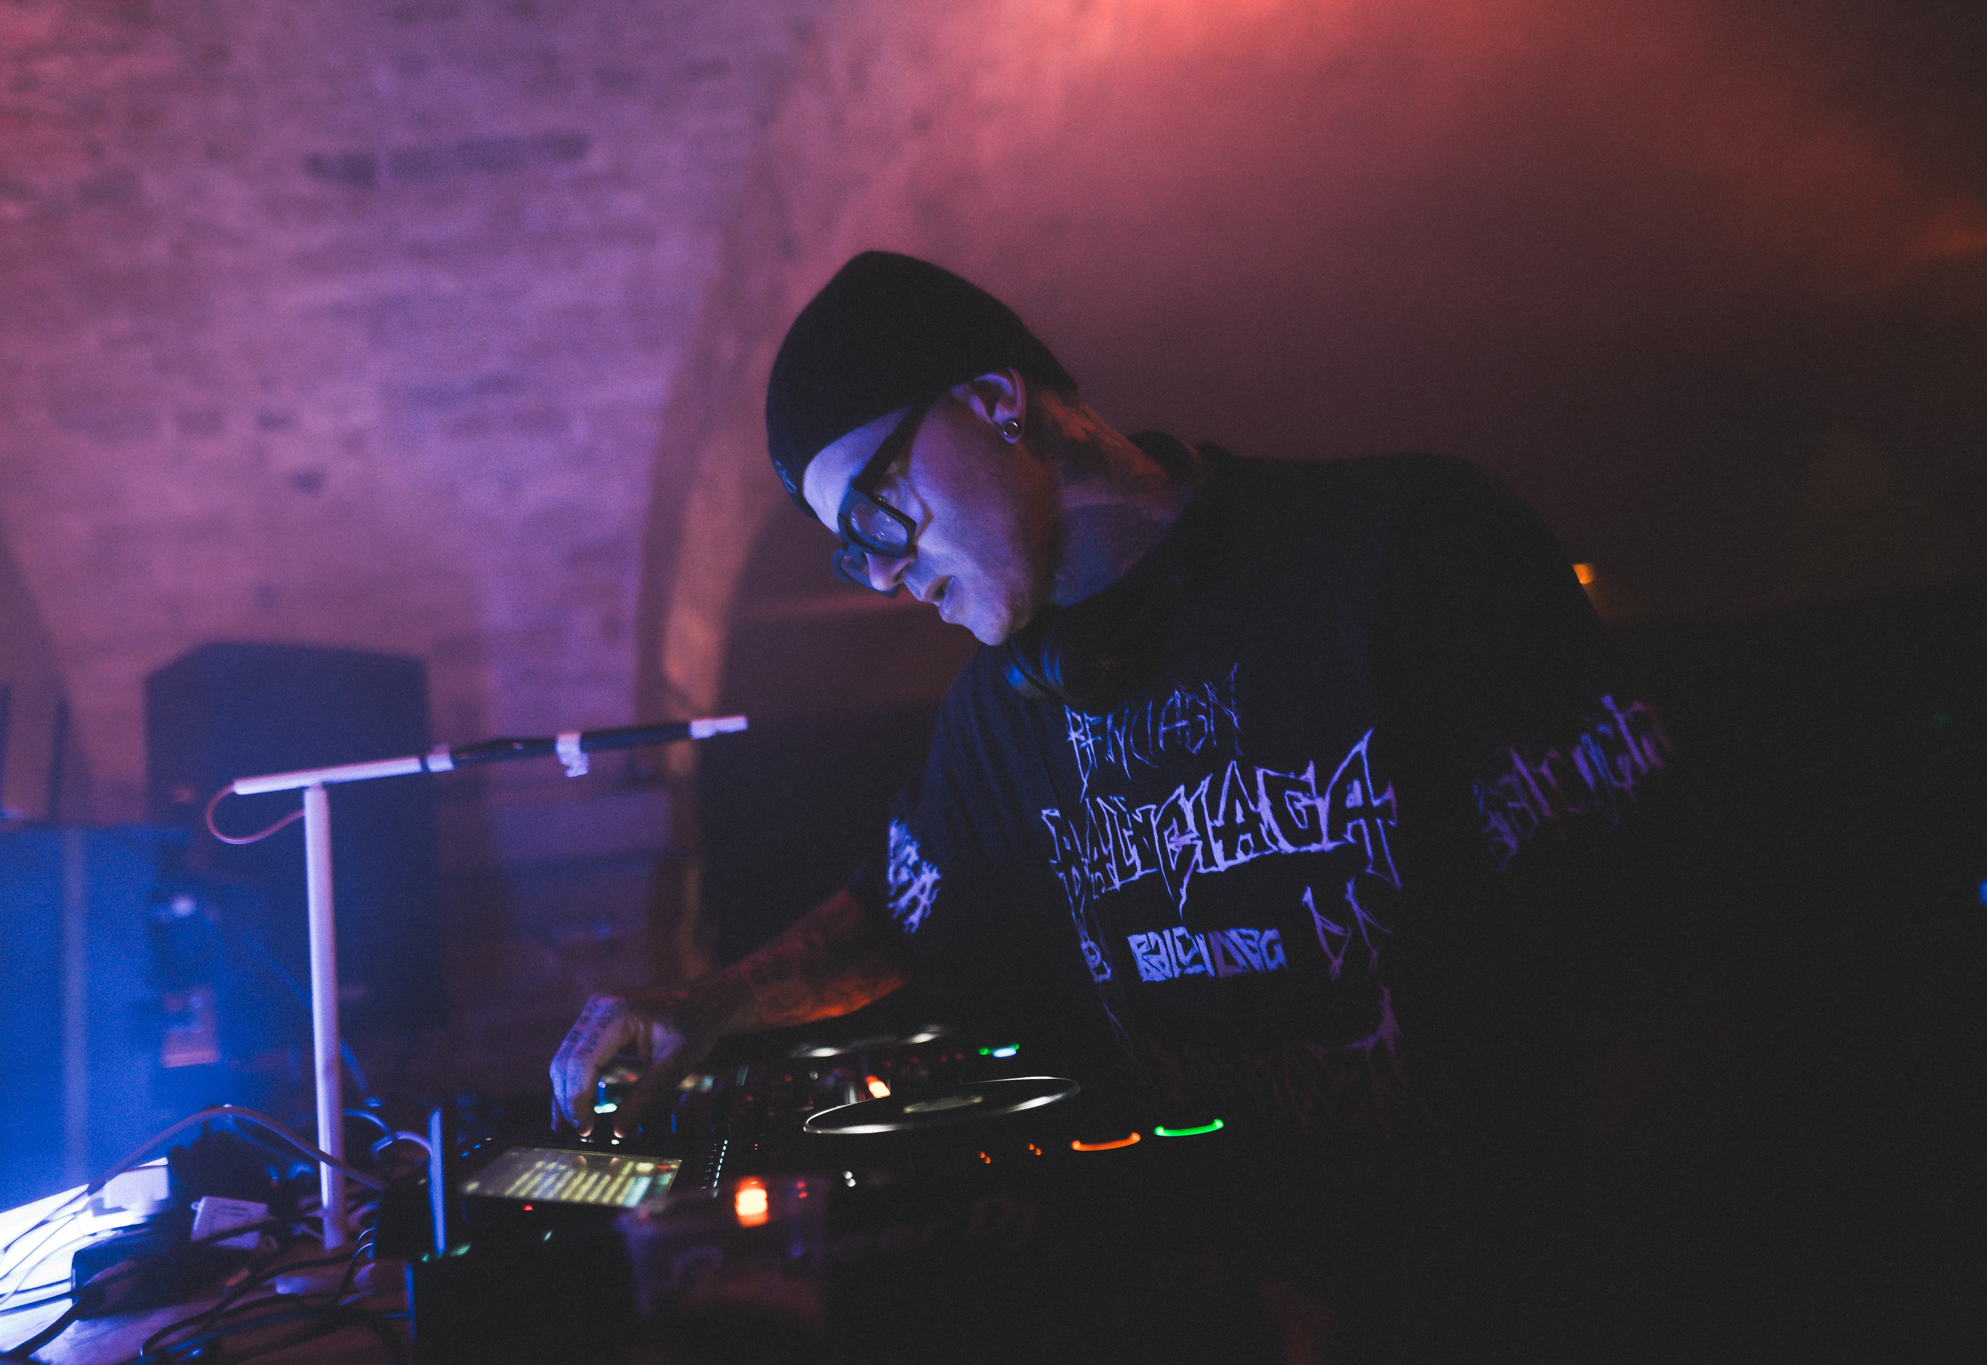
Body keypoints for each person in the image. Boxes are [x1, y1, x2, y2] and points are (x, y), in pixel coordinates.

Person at [550, 251, 1699, 1354]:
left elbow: (1648, 972)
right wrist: (704, 1007)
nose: (886, 571)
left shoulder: (1403, 547)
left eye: (878, 511)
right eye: (853, 553)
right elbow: (892, 914)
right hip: (1264, 1305)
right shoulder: (1001, 715)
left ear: (995, 402)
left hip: (1520, 1285)